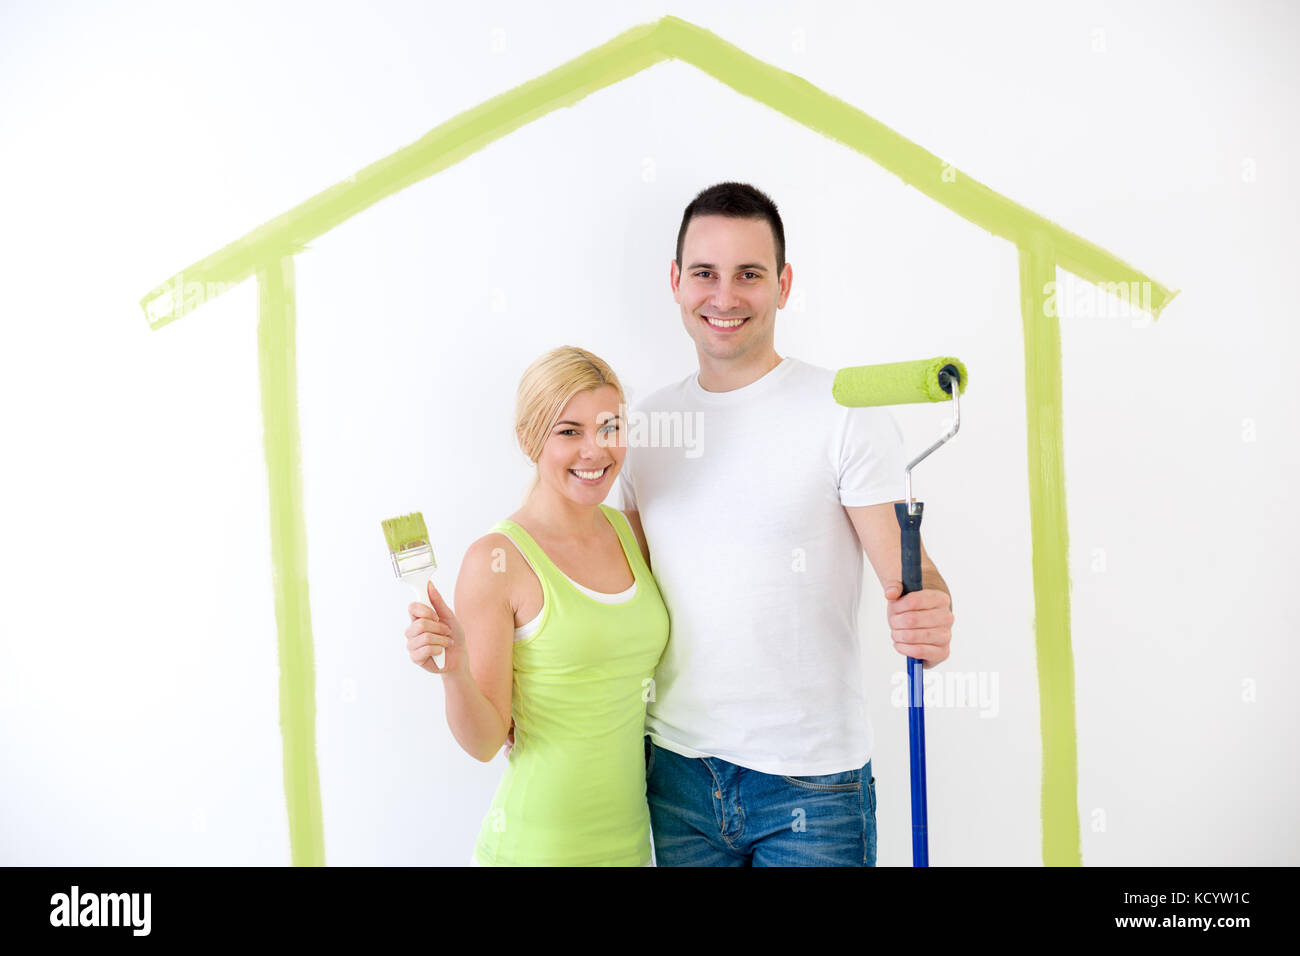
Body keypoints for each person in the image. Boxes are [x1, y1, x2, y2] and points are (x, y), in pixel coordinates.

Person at [615, 182, 955, 866]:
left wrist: (932, 611)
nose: (725, 296)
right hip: (675, 773)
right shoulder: (642, 429)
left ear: (784, 283)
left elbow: (910, 578)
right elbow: (627, 600)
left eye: (750, 274)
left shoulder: (841, 413)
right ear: (676, 283)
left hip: (812, 785)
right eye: (705, 274)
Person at [405, 346, 668, 866]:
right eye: (569, 431)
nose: (595, 450)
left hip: (631, 847)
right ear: (530, 440)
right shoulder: (497, 559)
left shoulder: (627, 531)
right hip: (538, 849)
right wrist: (454, 672)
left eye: (609, 427)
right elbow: (485, 742)